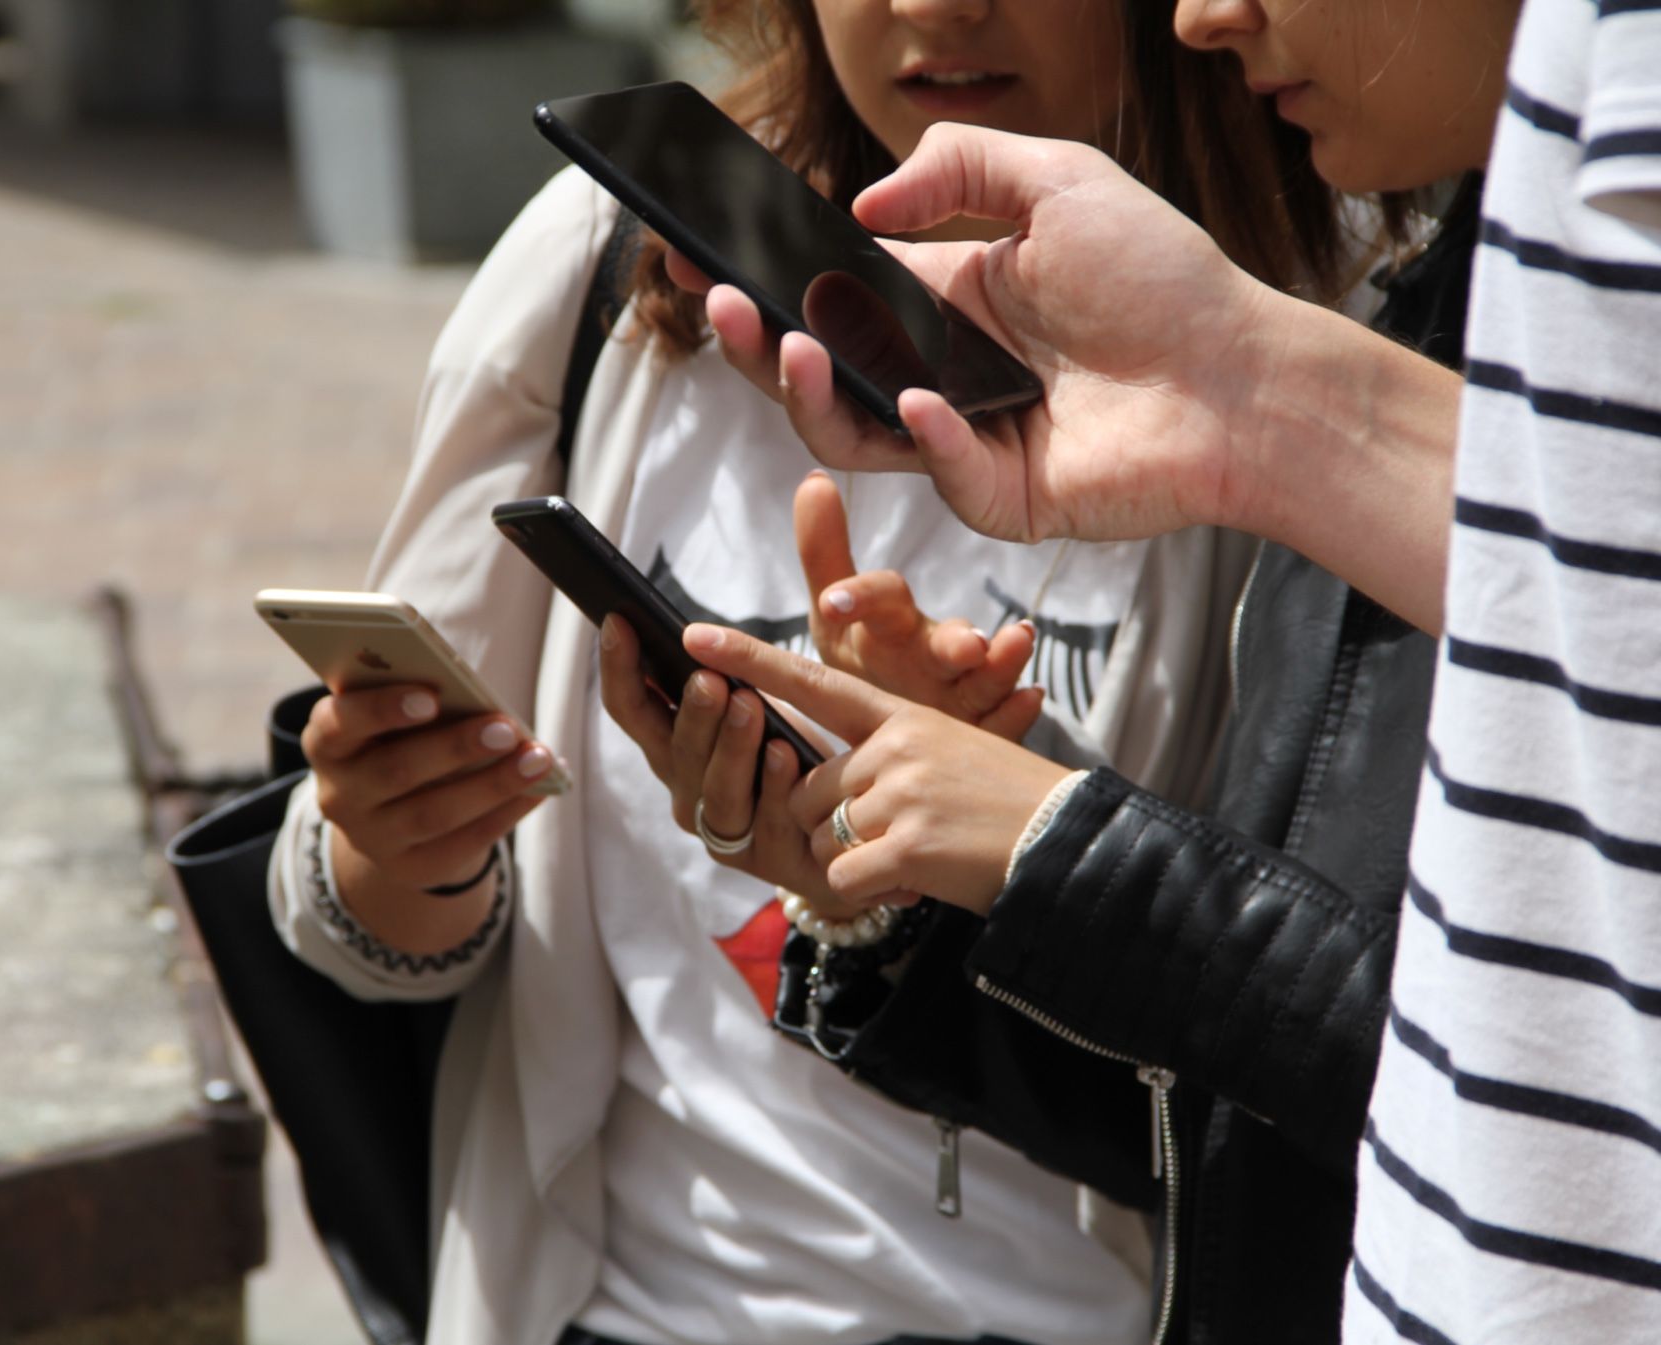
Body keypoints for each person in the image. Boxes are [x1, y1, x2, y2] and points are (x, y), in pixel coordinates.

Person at [264, 2, 1352, 1343]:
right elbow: (369, 908)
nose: (933, 6)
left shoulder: (1316, 343)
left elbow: (1320, 1022)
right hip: (628, 1307)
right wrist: (395, 849)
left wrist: (1001, 813)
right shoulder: (603, 260)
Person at [687, 0, 1661, 1340]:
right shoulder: (1438, 303)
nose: (1198, 14)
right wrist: (929, 888)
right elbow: (1250, 1133)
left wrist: (1057, 849)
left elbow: (1514, 1058)